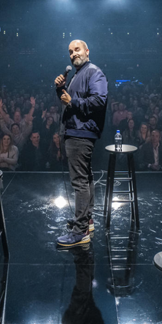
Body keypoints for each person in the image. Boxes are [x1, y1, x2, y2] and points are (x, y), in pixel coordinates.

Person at [54, 39, 108, 248]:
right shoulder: (78, 74)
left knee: (79, 182)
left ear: (87, 51)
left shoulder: (94, 72)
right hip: (78, 131)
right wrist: (60, 89)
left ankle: (80, 232)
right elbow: (69, 101)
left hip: (81, 133)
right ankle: (87, 220)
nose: (73, 54)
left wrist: (72, 101)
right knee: (86, 178)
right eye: (70, 51)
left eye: (77, 50)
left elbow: (99, 101)